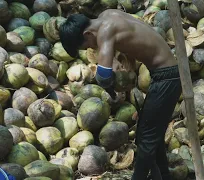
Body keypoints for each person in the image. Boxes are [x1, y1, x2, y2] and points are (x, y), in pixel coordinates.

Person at [59, 9, 182, 180]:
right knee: (152, 134)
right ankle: (163, 176)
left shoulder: (105, 31)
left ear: (87, 33)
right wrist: (128, 66)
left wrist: (112, 91)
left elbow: (103, 76)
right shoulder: (107, 14)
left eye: (87, 45)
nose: (90, 48)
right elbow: (133, 41)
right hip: (164, 75)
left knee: (145, 138)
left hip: (167, 78)